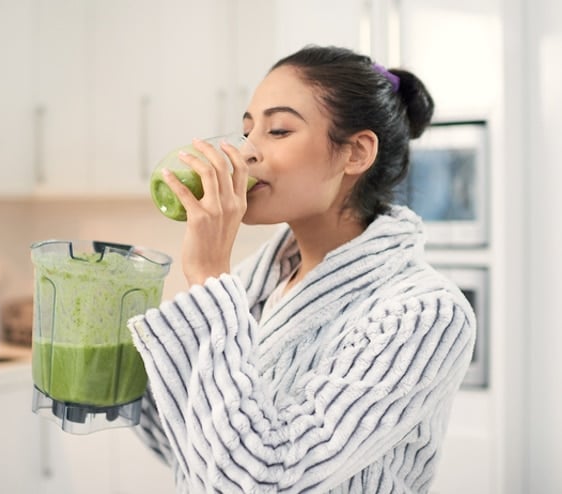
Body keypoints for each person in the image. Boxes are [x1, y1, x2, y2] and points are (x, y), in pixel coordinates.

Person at [127, 44, 476, 493]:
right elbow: (199, 454)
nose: (246, 153)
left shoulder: (424, 314)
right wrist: (115, 374)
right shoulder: (260, 285)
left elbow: (267, 478)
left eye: (278, 131)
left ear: (355, 153)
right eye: (247, 132)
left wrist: (210, 274)